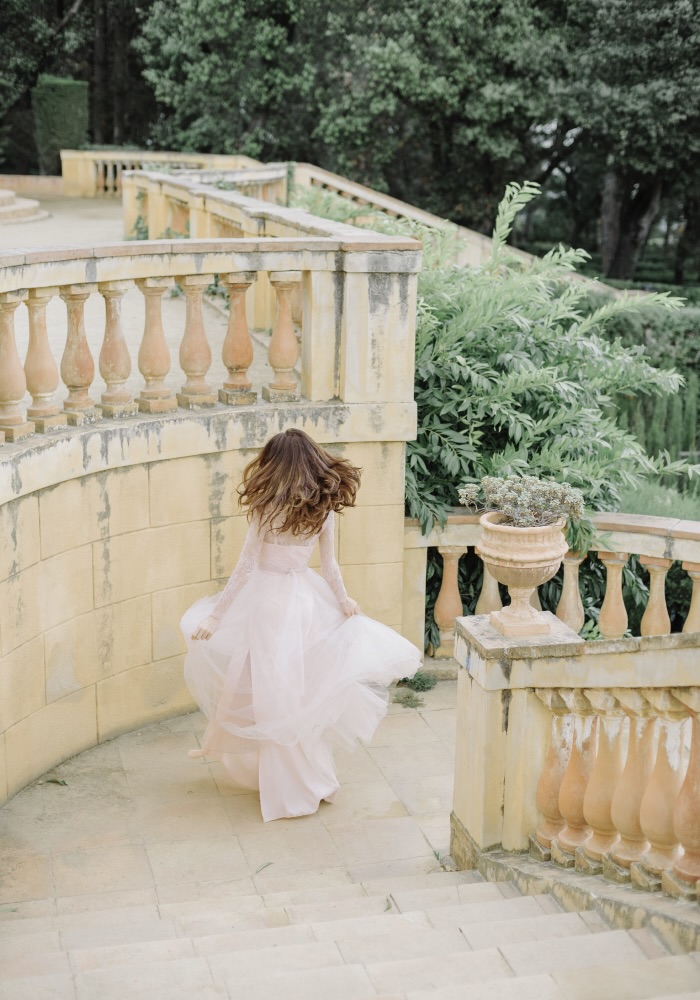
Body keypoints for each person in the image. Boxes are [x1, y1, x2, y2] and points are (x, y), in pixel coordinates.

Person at [180, 429, 421, 822]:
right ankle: (307, 777)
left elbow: (244, 569)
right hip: (304, 602)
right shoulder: (320, 509)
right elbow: (328, 566)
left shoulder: (266, 509)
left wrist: (216, 614)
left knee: (273, 694)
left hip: (268, 604)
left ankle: (290, 786)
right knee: (294, 693)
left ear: (275, 465)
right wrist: (341, 600)